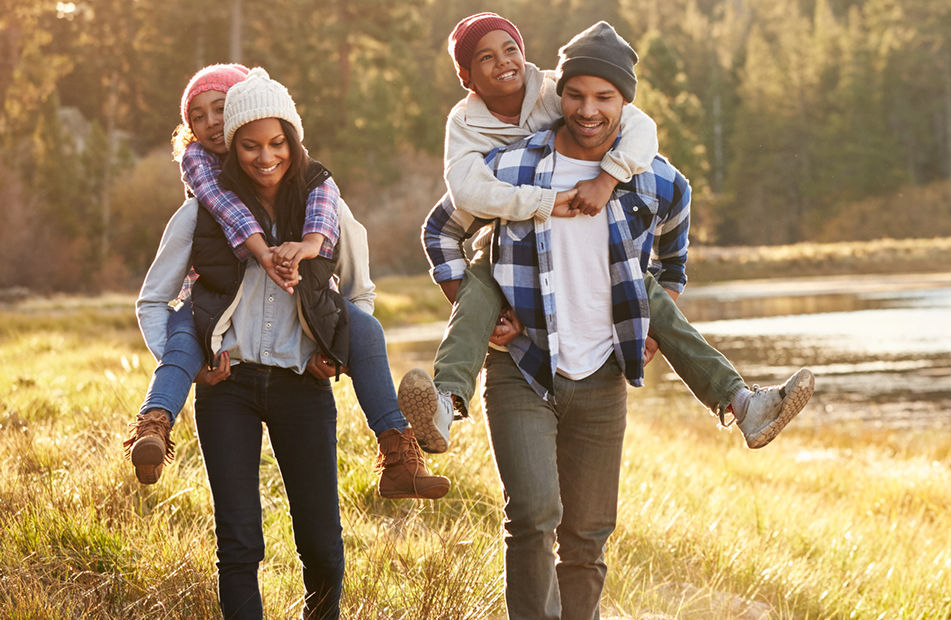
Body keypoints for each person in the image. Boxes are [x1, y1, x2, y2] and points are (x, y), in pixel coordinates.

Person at [400, 13, 814, 457]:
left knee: (647, 292)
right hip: (506, 250)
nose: (504, 62)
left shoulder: (557, 92)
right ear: (466, 77)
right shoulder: (469, 129)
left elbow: (639, 126)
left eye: (510, 49)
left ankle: (742, 403)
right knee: (479, 287)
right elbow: (458, 198)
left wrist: (609, 178)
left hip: (598, 255)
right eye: (486, 57)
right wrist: (484, 308)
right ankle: (445, 403)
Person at [421, 23, 707, 618]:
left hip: (602, 370)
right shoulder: (510, 161)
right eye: (577, 94)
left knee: (588, 536)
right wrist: (474, 307)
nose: (588, 108)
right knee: (531, 516)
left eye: (605, 97)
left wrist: (659, 316)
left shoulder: (649, 173)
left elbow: (673, 251)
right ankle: (447, 402)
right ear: (562, 92)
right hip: (522, 364)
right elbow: (442, 225)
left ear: (625, 102)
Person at [135, 67, 397, 619]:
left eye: (275, 143)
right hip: (227, 389)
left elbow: (360, 294)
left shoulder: (325, 210)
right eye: (249, 144)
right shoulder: (201, 213)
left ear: (291, 140)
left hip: (303, 385)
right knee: (238, 544)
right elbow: (153, 301)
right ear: (232, 143)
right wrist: (187, 364)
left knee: (322, 545)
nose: (264, 156)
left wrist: (333, 350)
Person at [125, 64, 447, 500]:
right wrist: (263, 253)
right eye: (197, 117)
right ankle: (154, 425)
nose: (210, 124)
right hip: (215, 318)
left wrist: (331, 345)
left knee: (366, 329)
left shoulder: (316, 188)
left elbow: (352, 269)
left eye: (220, 110)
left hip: (300, 352)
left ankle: (397, 452)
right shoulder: (203, 186)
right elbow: (221, 215)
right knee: (183, 337)